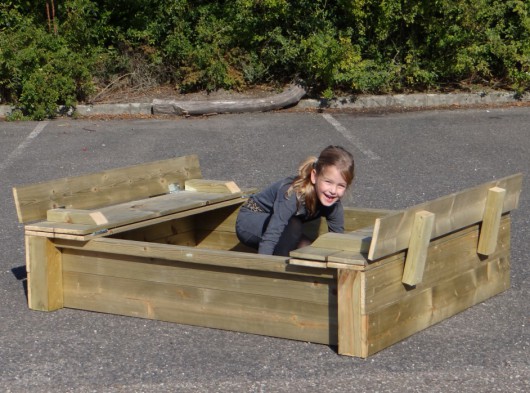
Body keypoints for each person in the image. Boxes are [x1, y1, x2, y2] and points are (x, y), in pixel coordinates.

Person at [235, 145, 355, 256]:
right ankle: (280, 275)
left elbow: (338, 242)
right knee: (294, 224)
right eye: (328, 182)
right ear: (314, 176)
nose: (333, 190)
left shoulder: (334, 204)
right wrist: (266, 268)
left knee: (309, 249)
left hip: (282, 226)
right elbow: (271, 236)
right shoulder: (293, 193)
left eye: (341, 186)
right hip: (251, 220)